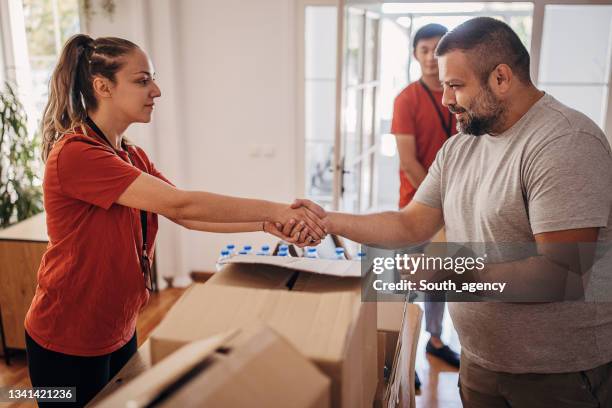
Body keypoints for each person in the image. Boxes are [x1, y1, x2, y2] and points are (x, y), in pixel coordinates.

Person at [285, 17, 612, 407]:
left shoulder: (563, 142)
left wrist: (454, 271)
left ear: (501, 78)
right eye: (443, 86)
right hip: (481, 361)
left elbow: (561, 275)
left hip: (556, 374)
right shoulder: (461, 147)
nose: (445, 100)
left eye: (455, 86)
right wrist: (326, 220)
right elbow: (411, 222)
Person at [24, 34, 325, 407]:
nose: (157, 90)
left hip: (117, 327)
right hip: (66, 337)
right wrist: (274, 210)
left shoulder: (129, 155)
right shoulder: (77, 154)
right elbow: (182, 205)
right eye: (142, 80)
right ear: (103, 86)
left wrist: (264, 225)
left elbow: (184, 215)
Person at [391, 23, 460, 378]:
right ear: (415, 55)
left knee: (440, 280)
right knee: (410, 281)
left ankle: (435, 340)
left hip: (455, 207)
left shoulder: (461, 94)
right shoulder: (406, 99)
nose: (431, 58)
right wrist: (439, 201)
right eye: (424, 50)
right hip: (417, 206)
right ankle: (403, 353)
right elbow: (408, 160)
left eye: (437, 49)